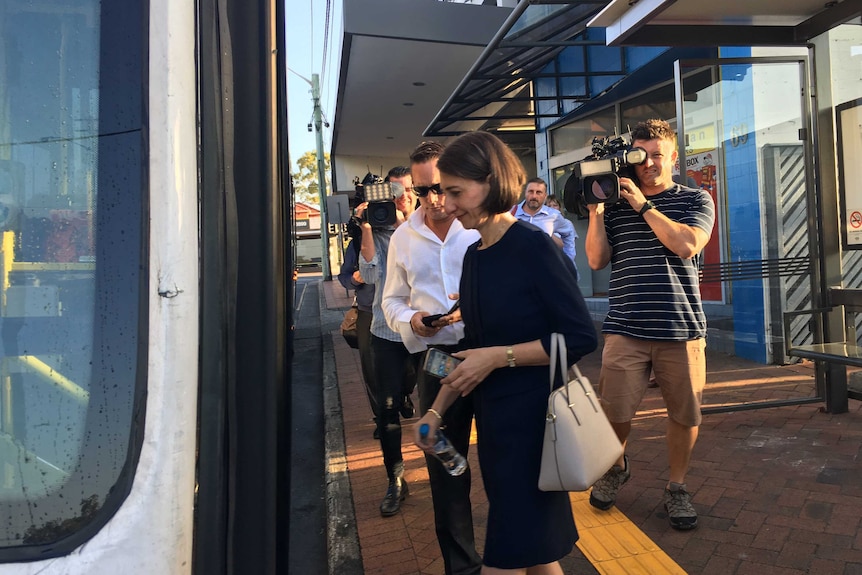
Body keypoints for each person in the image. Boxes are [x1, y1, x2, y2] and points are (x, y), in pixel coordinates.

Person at [414, 131, 597, 574]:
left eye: (456, 191)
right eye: (443, 191)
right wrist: (436, 413)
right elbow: (471, 347)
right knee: (536, 553)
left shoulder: (534, 247)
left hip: (537, 426)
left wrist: (501, 357)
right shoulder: (476, 255)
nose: (448, 204)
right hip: (497, 428)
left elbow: (579, 337)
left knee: (509, 554)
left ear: (492, 182)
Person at [583, 118, 715, 531]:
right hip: (625, 325)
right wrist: (596, 212)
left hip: (681, 327)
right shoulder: (616, 204)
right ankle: (616, 466)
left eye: (658, 155)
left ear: (674, 157)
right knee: (614, 412)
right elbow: (595, 260)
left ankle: (677, 487)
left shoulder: (696, 199)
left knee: (684, 415)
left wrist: (642, 204)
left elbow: (686, 244)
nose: (649, 164)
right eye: (641, 157)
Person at [381, 141, 483, 575]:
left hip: (491, 356)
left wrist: (475, 308)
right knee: (446, 466)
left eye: (442, 187)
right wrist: (415, 319)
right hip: (436, 364)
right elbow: (391, 301)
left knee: (505, 460)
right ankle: (462, 567)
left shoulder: (482, 226)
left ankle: (515, 558)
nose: (435, 200)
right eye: (423, 191)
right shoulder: (403, 238)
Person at [356, 166, 419, 517]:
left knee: (439, 402)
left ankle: (442, 471)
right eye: (395, 193)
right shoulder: (377, 232)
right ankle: (395, 479)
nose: (403, 197)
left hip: (428, 334)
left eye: (408, 191)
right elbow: (367, 275)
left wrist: (401, 226)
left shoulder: (429, 227)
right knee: (388, 408)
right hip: (386, 331)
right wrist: (367, 226)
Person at [337, 230, 379, 439]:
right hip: (367, 312)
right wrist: (354, 279)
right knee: (370, 368)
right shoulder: (356, 245)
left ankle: (402, 394)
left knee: (409, 364)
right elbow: (343, 277)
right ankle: (382, 416)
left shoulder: (403, 234)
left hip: (401, 311)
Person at [512, 178, 577, 263]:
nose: (534, 196)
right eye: (531, 191)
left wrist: (568, 260)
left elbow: (568, 234)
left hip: (544, 271)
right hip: (516, 270)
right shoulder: (510, 213)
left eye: (538, 192)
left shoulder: (554, 216)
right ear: (525, 193)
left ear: (545, 196)